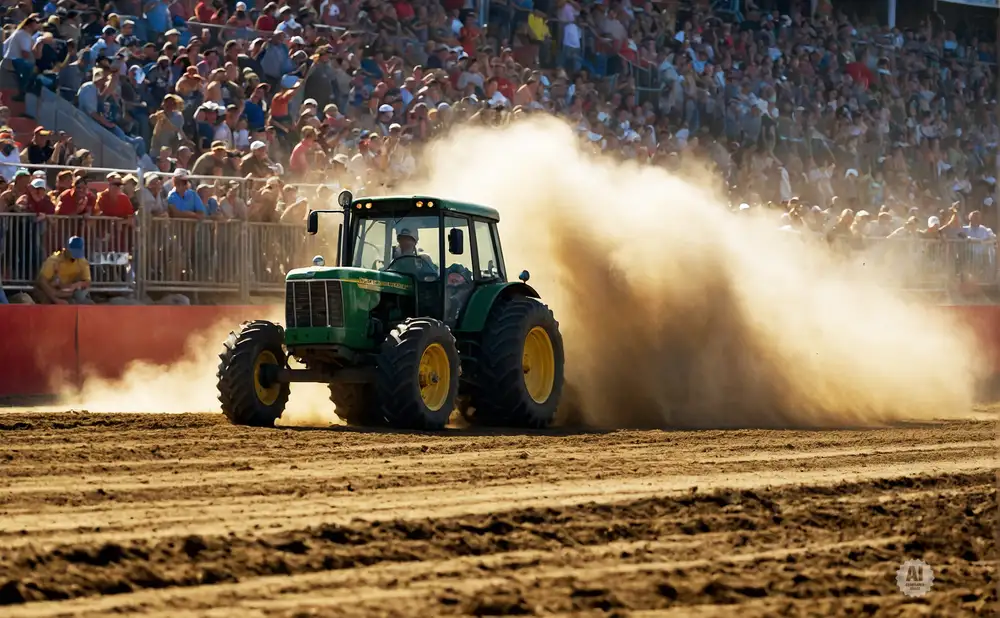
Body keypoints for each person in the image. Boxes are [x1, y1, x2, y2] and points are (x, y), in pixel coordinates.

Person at [33, 236, 92, 305]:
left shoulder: (82, 261)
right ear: (66, 249)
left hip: (66, 293)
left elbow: (87, 281)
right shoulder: (54, 260)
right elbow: (42, 281)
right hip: (49, 292)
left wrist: (76, 285)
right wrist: (55, 299)